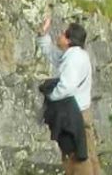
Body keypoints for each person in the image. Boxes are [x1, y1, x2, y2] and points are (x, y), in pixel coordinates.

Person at [37, 15, 95, 175]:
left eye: (63, 33)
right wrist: (43, 34)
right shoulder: (74, 55)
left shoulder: (74, 58)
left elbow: (66, 87)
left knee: (77, 159)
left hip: (75, 114)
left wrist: (51, 96)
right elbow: (53, 54)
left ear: (69, 40)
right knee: (88, 155)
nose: (59, 35)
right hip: (79, 111)